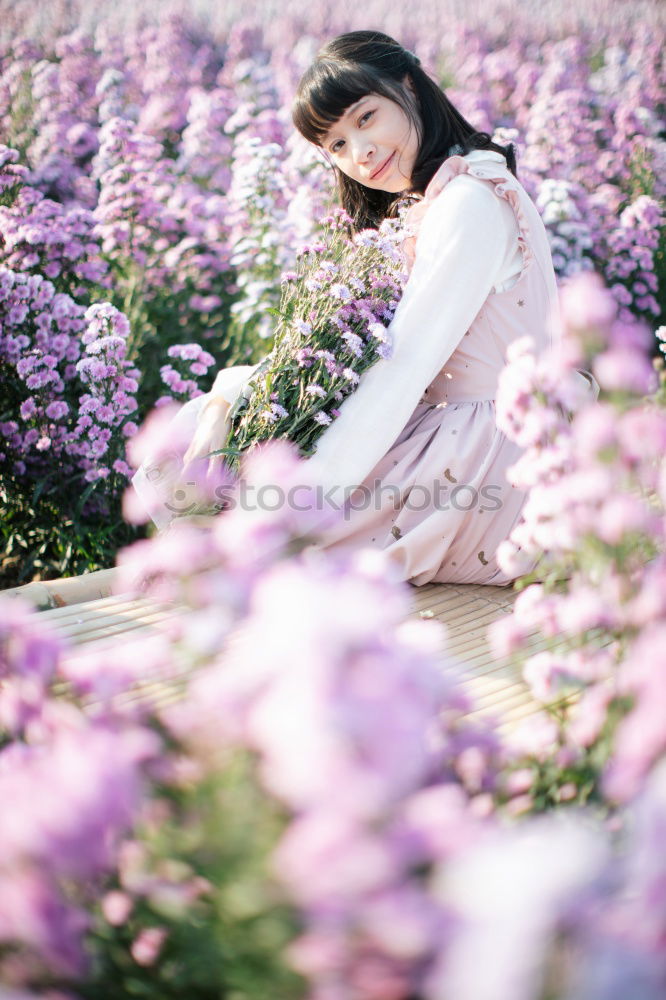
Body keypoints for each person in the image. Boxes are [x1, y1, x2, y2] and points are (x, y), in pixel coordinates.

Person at [131, 29, 598, 586]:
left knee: (259, 542)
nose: (361, 154)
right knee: (206, 434)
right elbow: (363, 357)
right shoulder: (442, 195)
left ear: (408, 85)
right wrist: (228, 400)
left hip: (497, 460)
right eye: (336, 145)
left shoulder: (469, 202)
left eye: (366, 118)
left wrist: (296, 504)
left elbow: (403, 366)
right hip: (464, 433)